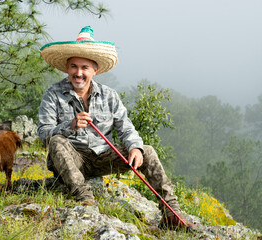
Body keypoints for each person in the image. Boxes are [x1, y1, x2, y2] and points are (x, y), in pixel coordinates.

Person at [38, 26, 195, 230]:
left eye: (85, 67)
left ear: (95, 70)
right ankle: (85, 199)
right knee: (57, 141)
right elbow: (44, 134)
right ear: (67, 67)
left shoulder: (109, 95)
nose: (78, 73)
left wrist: (134, 147)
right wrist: (70, 125)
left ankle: (171, 212)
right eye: (74, 66)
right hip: (71, 159)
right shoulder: (52, 94)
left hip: (103, 157)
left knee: (147, 151)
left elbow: (125, 127)